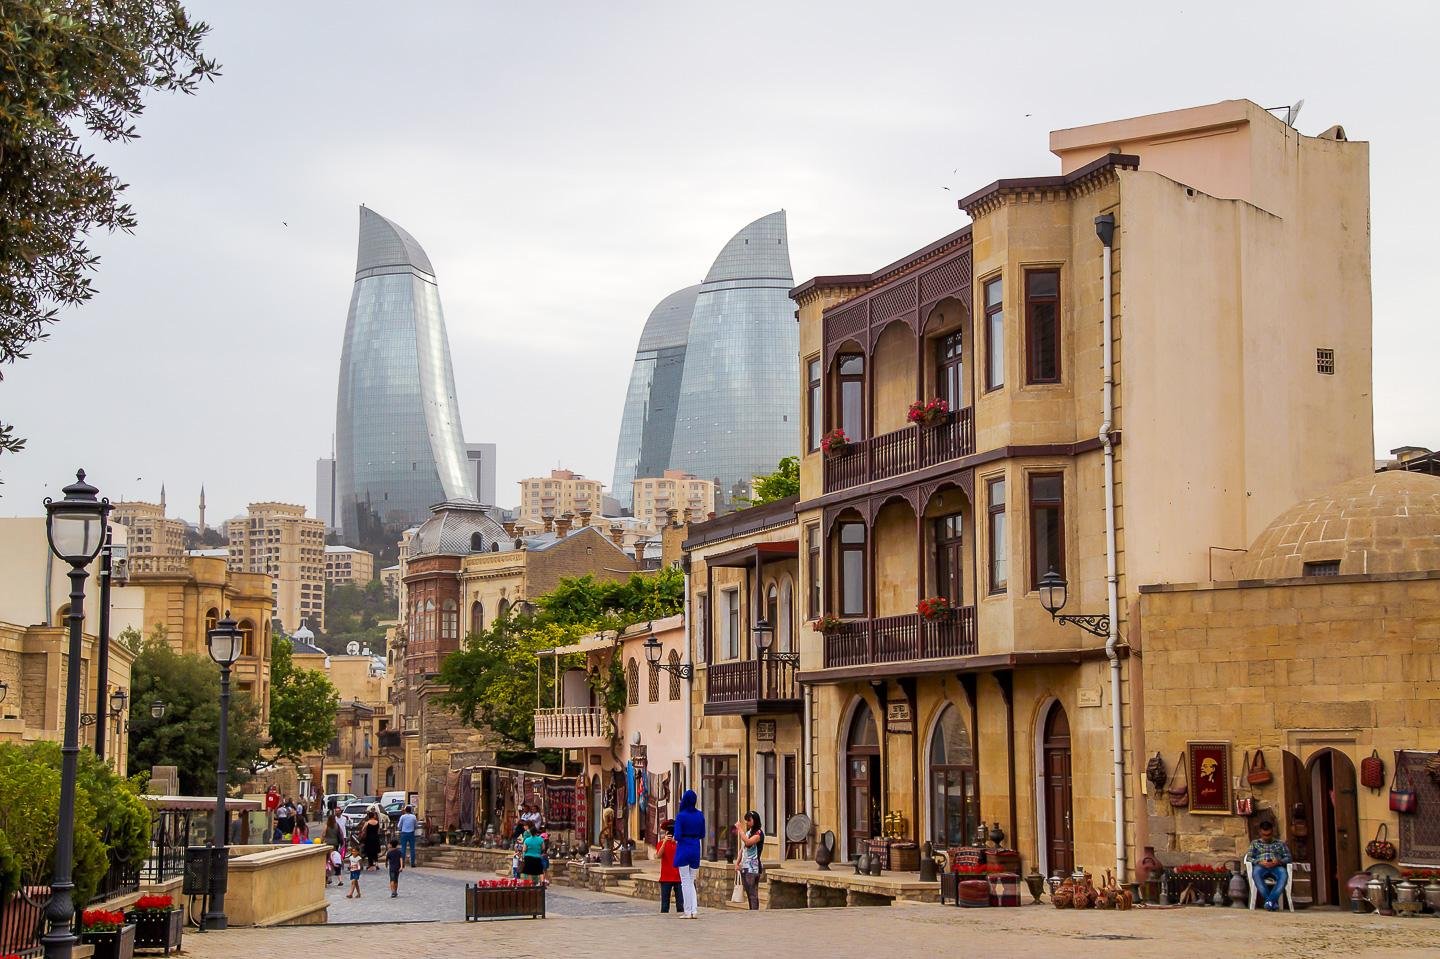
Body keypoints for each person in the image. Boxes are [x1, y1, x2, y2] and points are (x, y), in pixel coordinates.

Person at [1247, 819, 1293, 911]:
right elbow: (1249, 858)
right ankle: (1272, 903)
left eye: (1269, 835)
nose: (1266, 837)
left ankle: (1269, 902)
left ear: (1272, 832)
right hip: (1261, 866)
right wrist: (1259, 862)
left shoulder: (1280, 844)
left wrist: (1278, 861)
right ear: (1260, 832)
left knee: (1284, 874)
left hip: (1276, 866)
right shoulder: (1255, 843)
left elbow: (1288, 857)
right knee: (1256, 873)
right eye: (1264, 835)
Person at [673, 789, 704, 918]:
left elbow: (677, 835)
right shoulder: (700, 815)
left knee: (685, 881)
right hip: (696, 846)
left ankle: (687, 911)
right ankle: (694, 910)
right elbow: (702, 834)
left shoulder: (681, 816)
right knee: (691, 880)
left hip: (684, 847)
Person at [735, 811, 764, 910]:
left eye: (749, 820)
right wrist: (737, 863)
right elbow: (742, 849)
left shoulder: (758, 833)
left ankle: (754, 912)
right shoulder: (748, 832)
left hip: (753, 868)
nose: (747, 822)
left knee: (753, 893)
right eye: (746, 820)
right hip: (745, 866)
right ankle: (751, 910)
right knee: (748, 892)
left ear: (755, 820)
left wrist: (740, 830)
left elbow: (748, 842)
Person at [655, 819, 680, 914]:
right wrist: (665, 842)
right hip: (666, 877)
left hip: (678, 876)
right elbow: (658, 855)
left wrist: (677, 841)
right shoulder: (661, 843)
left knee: (680, 903)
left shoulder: (679, 843)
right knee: (665, 904)